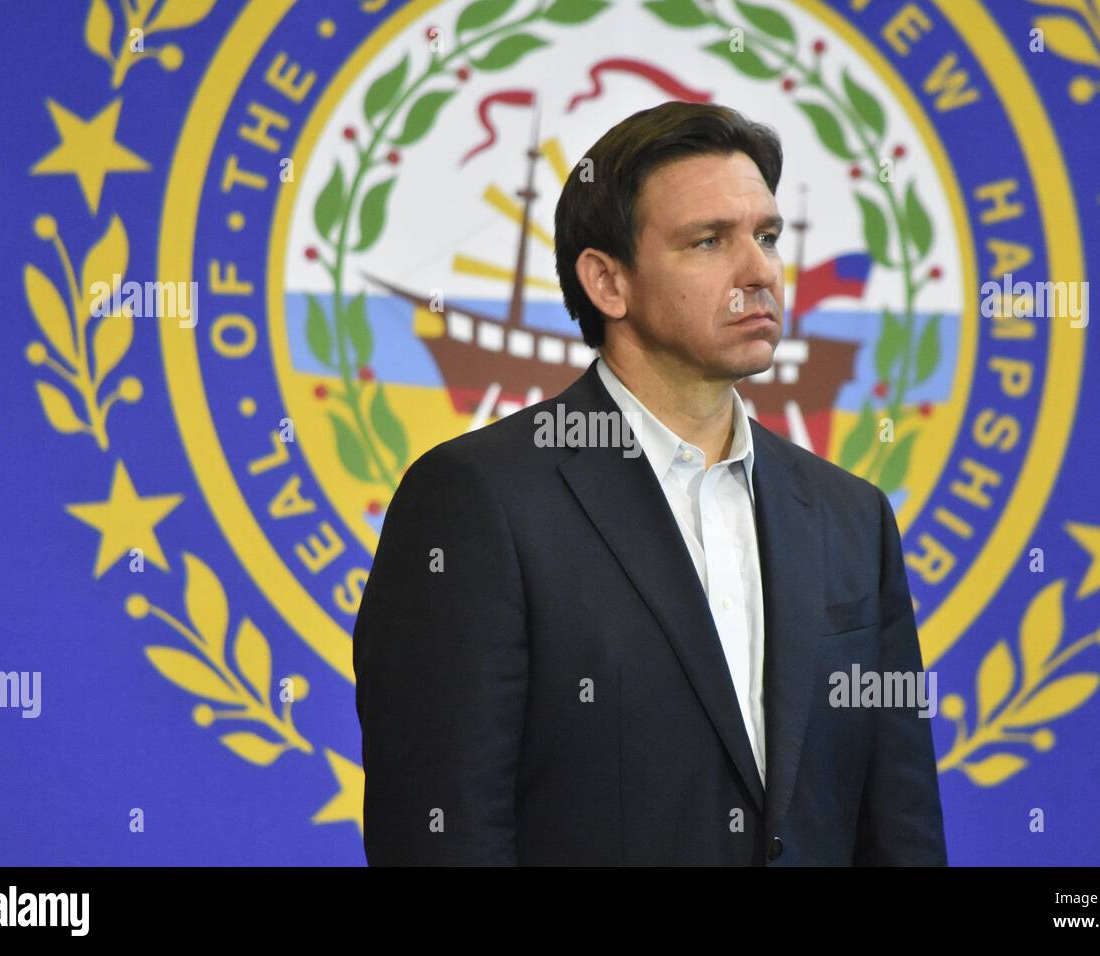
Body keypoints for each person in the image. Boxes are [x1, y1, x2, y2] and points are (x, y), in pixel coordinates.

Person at [353, 101, 947, 865]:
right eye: (709, 241)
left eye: (767, 237)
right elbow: (443, 833)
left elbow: (899, 831)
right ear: (607, 282)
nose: (760, 272)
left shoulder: (850, 517)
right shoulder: (476, 502)